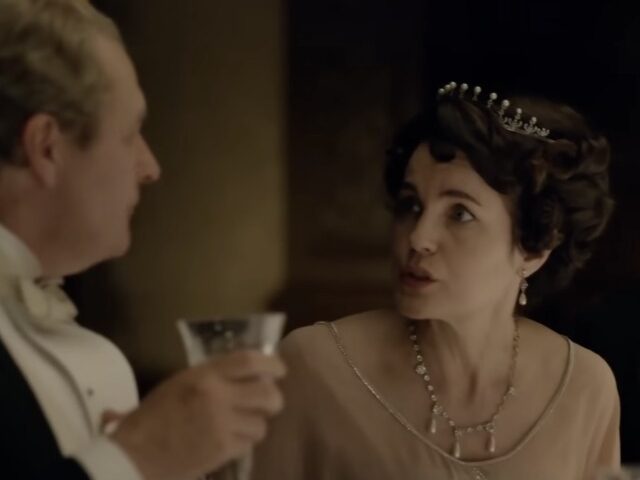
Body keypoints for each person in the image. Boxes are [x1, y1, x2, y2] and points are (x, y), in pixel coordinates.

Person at [252, 82, 619, 480]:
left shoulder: (585, 386)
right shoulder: (314, 367)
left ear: (535, 248)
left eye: (459, 214)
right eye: (411, 204)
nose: (418, 238)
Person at [0, 1, 285, 479]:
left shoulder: (99, 362)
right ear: (47, 147)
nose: (151, 168)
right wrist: (142, 454)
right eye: (130, 133)